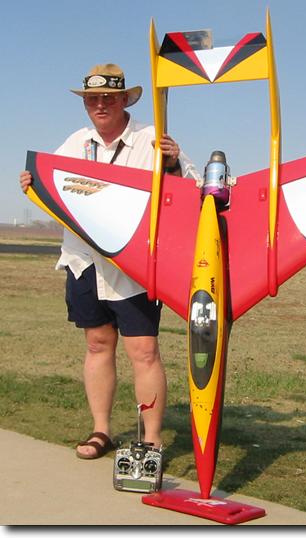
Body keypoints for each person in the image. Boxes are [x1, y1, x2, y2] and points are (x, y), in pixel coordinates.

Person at [19, 64, 200, 459]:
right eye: (93, 99)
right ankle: (101, 431)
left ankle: (151, 440)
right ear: (86, 103)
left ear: (123, 100)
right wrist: (34, 185)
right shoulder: (75, 142)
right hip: (84, 261)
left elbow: (189, 189)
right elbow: (55, 188)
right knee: (97, 344)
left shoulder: (153, 138)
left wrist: (170, 163)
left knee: (144, 351)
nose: (101, 105)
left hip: (135, 265)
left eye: (108, 97)